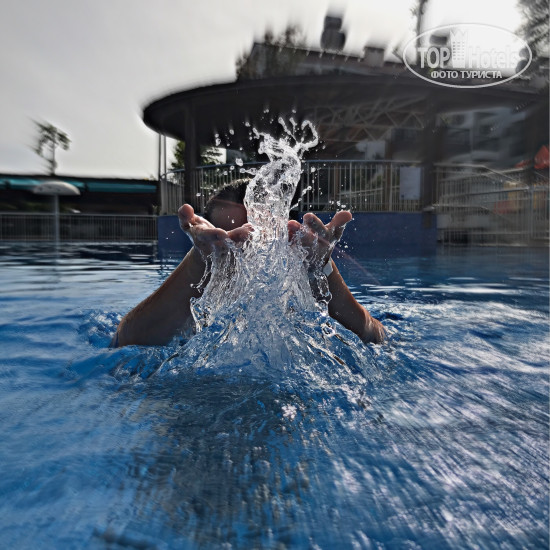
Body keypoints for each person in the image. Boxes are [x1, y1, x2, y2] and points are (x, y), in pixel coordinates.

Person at [113, 181, 385, 347]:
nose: (242, 249)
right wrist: (200, 262)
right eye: (228, 239)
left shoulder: (300, 304)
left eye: (256, 238)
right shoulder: (197, 315)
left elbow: (376, 337)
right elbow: (124, 341)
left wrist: (320, 269)